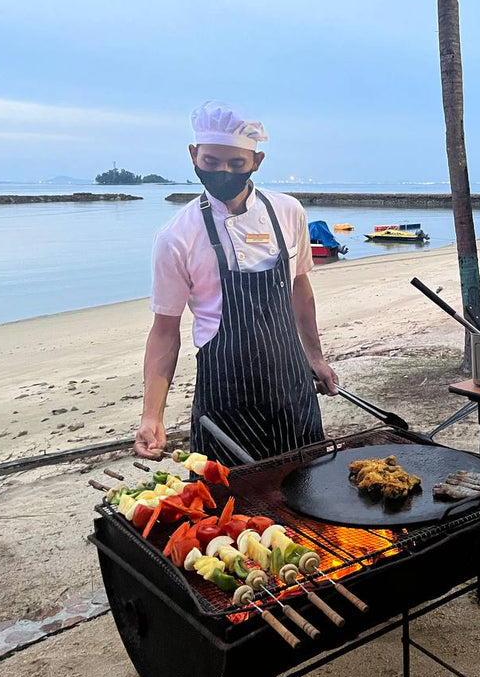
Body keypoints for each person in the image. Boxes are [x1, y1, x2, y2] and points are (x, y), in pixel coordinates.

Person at [134, 101, 339, 463]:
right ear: (194, 155)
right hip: (225, 403)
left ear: (256, 162)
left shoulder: (288, 212)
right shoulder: (176, 236)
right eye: (211, 163)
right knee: (227, 512)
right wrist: (152, 415)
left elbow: (299, 290)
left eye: (237, 164)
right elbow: (165, 330)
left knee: (311, 496)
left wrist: (315, 356)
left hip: (293, 391)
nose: (223, 172)